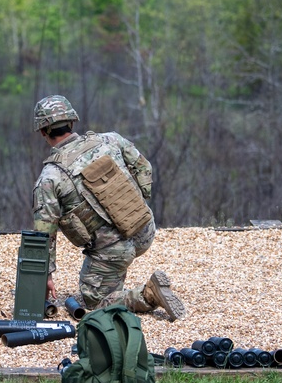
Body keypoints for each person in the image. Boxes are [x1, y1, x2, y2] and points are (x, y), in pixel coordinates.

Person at [31, 95, 185, 321]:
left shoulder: (50, 178)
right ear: (72, 123)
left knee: (94, 301)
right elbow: (144, 167)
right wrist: (137, 202)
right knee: (113, 263)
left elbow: (45, 233)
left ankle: (149, 295)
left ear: (43, 132)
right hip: (145, 230)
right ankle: (114, 275)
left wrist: (46, 274)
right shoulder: (111, 140)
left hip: (112, 252)